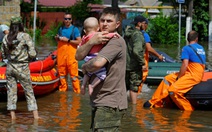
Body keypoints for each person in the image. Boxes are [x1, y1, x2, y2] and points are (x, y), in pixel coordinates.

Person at [75, 7, 128, 131]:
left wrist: (84, 67)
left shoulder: (115, 41)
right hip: (99, 100)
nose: (104, 24)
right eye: (102, 20)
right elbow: (78, 56)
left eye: (109, 21)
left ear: (117, 24)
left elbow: (98, 63)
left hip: (110, 101)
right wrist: (91, 42)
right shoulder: (97, 38)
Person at [143, 31, 206, 111]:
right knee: (167, 79)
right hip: (194, 73)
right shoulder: (201, 48)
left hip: (192, 75)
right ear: (197, 38)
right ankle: (154, 102)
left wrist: (179, 78)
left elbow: (185, 65)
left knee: (173, 90)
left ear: (187, 39)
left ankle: (189, 110)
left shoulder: (186, 48)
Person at [1, 16, 39, 119]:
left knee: (11, 92)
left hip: (10, 67)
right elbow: (32, 53)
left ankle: (12, 118)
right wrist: (29, 57)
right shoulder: (25, 36)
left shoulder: (6, 38)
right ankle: (36, 118)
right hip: (22, 67)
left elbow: (3, 55)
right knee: (29, 92)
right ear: (21, 25)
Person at [80, 17, 117, 95]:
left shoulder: (84, 37)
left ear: (84, 30)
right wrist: (114, 34)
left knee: (87, 74)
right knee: (102, 75)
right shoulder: (97, 35)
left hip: (87, 57)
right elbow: (107, 36)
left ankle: (83, 85)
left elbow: (80, 47)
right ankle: (92, 86)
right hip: (95, 57)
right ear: (97, 29)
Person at [55, 12, 82, 93]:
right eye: (66, 19)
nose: (67, 20)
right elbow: (58, 41)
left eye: (69, 19)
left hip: (71, 55)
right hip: (61, 55)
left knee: (74, 75)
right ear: (64, 20)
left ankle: (77, 92)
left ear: (71, 20)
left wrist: (68, 40)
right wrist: (57, 38)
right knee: (62, 74)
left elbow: (79, 41)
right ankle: (63, 93)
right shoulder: (61, 29)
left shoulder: (75, 29)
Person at [124, 15, 146, 105]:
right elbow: (137, 51)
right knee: (134, 87)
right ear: (139, 24)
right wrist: (142, 63)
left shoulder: (127, 33)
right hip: (134, 66)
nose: (145, 26)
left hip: (125, 65)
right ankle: (133, 110)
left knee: (123, 87)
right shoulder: (138, 35)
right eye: (144, 23)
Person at [138, 18, 164, 92]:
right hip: (142, 61)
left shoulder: (132, 34)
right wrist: (158, 56)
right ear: (145, 25)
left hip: (131, 61)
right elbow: (149, 48)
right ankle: (137, 102)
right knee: (140, 81)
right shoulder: (144, 35)